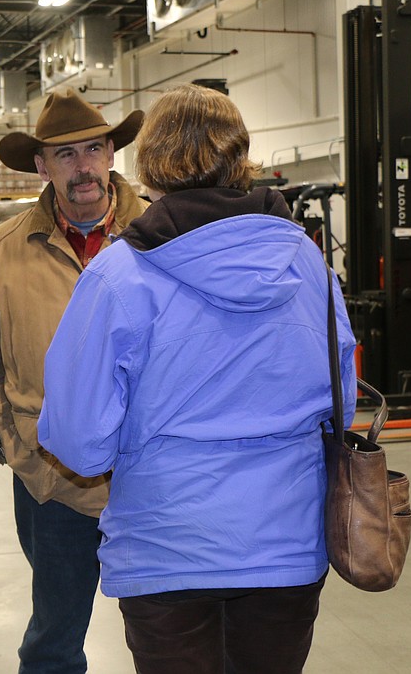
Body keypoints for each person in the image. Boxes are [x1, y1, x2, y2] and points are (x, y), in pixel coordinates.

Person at [38, 83, 357, 674]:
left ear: (149, 163)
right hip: (284, 542)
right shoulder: (307, 262)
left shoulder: (118, 275)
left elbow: (79, 440)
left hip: (167, 547)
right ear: (239, 155)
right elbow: (344, 399)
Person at [0, 86, 146, 673]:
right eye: (65, 155)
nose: (82, 165)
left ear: (113, 153)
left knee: (169, 635)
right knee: (54, 638)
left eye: (93, 148)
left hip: (154, 478)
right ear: (41, 166)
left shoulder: (164, 240)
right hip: (52, 482)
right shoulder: (1, 253)